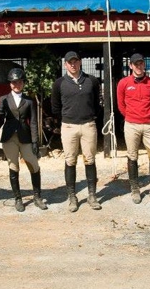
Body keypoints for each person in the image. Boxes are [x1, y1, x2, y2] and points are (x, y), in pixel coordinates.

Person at [0, 68, 47, 212]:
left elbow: (33, 122)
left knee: (33, 164)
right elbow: (0, 119)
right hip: (9, 137)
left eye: (18, 82)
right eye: (13, 82)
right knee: (14, 166)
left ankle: (37, 197)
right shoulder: (4, 100)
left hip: (25, 137)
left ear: (23, 83)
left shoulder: (29, 101)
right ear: (10, 84)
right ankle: (18, 198)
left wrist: (35, 141)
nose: (16, 85)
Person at [51, 51, 102, 212]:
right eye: (69, 62)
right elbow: (55, 107)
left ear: (80, 62)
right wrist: (67, 120)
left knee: (90, 159)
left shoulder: (91, 81)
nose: (73, 65)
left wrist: (91, 117)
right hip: (68, 126)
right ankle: (72, 196)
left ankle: (92, 195)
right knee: (70, 160)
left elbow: (97, 104)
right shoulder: (59, 83)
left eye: (75, 61)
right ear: (65, 64)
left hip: (88, 125)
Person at [117, 53, 150, 204]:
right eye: (135, 64)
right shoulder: (123, 83)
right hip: (132, 124)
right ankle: (135, 190)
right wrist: (131, 117)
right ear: (130, 66)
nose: (138, 67)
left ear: (144, 65)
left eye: (141, 64)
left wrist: (147, 116)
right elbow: (121, 105)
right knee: (132, 155)